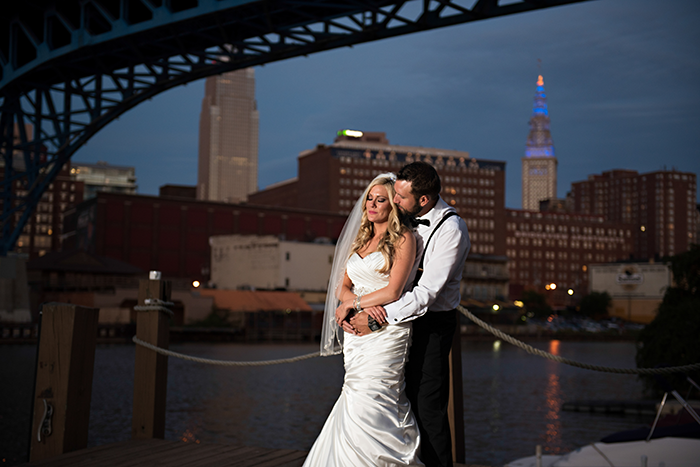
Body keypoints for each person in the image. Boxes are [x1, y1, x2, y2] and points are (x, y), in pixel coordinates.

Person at [346, 162, 471, 467]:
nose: (395, 201)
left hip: (430, 324)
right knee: (395, 401)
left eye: (400, 197)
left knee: (427, 406)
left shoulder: (451, 230)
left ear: (424, 200)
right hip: (394, 322)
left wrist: (376, 316)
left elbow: (426, 294)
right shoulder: (406, 219)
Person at [304, 173, 423, 467]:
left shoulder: (404, 239)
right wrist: (349, 308)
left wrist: (353, 303)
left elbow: (393, 290)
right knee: (354, 393)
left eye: (380, 199)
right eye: (370, 198)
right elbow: (340, 286)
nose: (372, 204)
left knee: (376, 395)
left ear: (393, 205)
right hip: (356, 334)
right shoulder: (360, 240)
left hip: (386, 330)